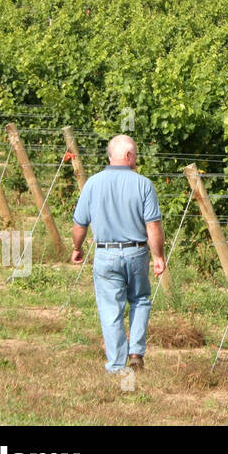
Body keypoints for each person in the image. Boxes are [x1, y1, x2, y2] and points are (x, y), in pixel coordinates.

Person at [70, 134, 166, 375]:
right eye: (135, 154)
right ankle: (135, 352)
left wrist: (77, 248)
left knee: (111, 309)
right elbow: (152, 226)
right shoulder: (144, 184)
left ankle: (116, 366)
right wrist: (158, 256)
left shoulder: (92, 183)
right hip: (136, 252)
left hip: (105, 253)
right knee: (140, 300)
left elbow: (79, 223)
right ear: (128, 156)